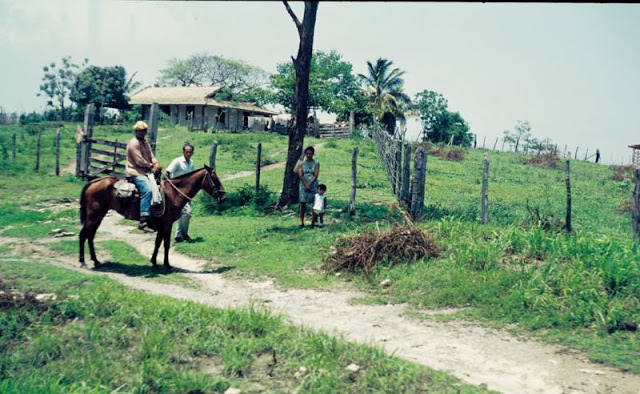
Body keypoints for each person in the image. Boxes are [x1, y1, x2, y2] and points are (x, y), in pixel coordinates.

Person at [126, 120, 161, 233]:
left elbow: (151, 155)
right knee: (147, 191)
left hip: (146, 172)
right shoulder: (133, 143)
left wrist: (156, 163)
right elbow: (139, 161)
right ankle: (143, 220)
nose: (142, 133)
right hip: (135, 172)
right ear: (135, 131)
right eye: (139, 131)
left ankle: (155, 215)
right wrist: (151, 165)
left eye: (143, 131)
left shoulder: (145, 143)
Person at [165, 141, 195, 242]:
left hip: (187, 193)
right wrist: (171, 187)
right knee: (187, 212)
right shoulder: (177, 161)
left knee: (182, 213)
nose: (188, 154)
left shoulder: (191, 163)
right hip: (177, 192)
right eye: (187, 152)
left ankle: (178, 235)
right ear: (183, 152)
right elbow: (167, 172)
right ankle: (184, 234)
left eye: (190, 152)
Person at [298, 146, 319, 228]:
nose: (308, 155)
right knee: (302, 203)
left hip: (313, 184)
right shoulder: (302, 163)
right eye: (307, 153)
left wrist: (310, 184)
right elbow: (300, 174)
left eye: (310, 153)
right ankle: (301, 222)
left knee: (313, 204)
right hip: (303, 184)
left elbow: (316, 175)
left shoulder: (316, 163)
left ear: (313, 154)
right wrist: (305, 184)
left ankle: (313, 222)